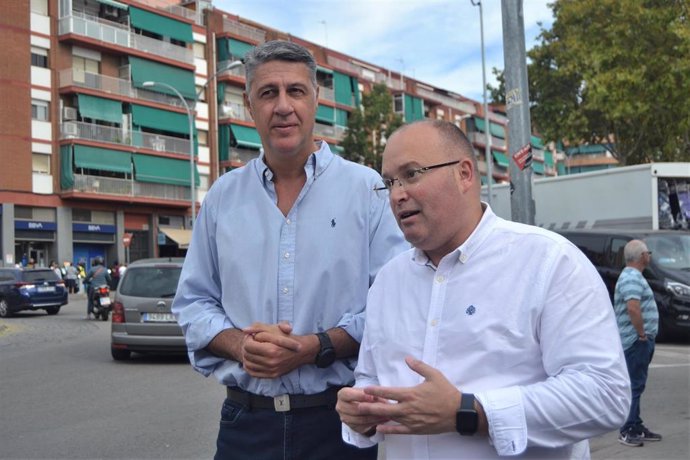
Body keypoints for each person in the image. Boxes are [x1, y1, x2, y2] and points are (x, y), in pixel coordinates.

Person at [336, 120, 631, 459]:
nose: (397, 194)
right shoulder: (388, 283)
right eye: (389, 182)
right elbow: (370, 377)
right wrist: (362, 410)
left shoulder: (549, 261)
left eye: (412, 174)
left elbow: (605, 395)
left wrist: (470, 412)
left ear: (464, 174)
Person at [172, 40, 407, 460]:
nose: (283, 106)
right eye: (268, 93)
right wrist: (240, 346)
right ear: (249, 106)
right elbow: (193, 303)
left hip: (338, 427)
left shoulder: (366, 190)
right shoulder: (223, 198)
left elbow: (394, 306)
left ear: (316, 99)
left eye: (295, 91)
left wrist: (315, 347)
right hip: (245, 427)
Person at [614, 240, 661, 447]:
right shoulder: (632, 277)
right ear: (642, 256)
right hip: (636, 341)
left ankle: (635, 424)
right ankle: (627, 429)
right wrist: (642, 334)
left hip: (638, 340)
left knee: (637, 384)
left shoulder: (632, 276)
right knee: (633, 385)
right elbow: (633, 308)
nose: (649, 256)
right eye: (648, 253)